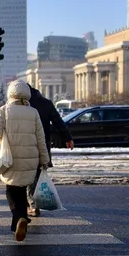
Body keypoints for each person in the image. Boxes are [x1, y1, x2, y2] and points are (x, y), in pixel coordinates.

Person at [0, 80, 49, 242]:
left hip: (10, 157)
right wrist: (44, 159)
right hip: (31, 158)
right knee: (22, 189)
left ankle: (19, 217)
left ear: (10, 94)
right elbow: (41, 139)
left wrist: (3, 141)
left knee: (11, 190)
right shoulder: (34, 112)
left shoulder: (3, 111)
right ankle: (18, 222)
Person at [26, 84, 74, 217]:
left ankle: (31, 204)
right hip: (43, 144)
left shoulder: (21, 104)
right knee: (36, 173)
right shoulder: (46, 103)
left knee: (26, 174)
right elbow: (58, 121)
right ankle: (33, 203)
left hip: (25, 144)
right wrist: (67, 138)